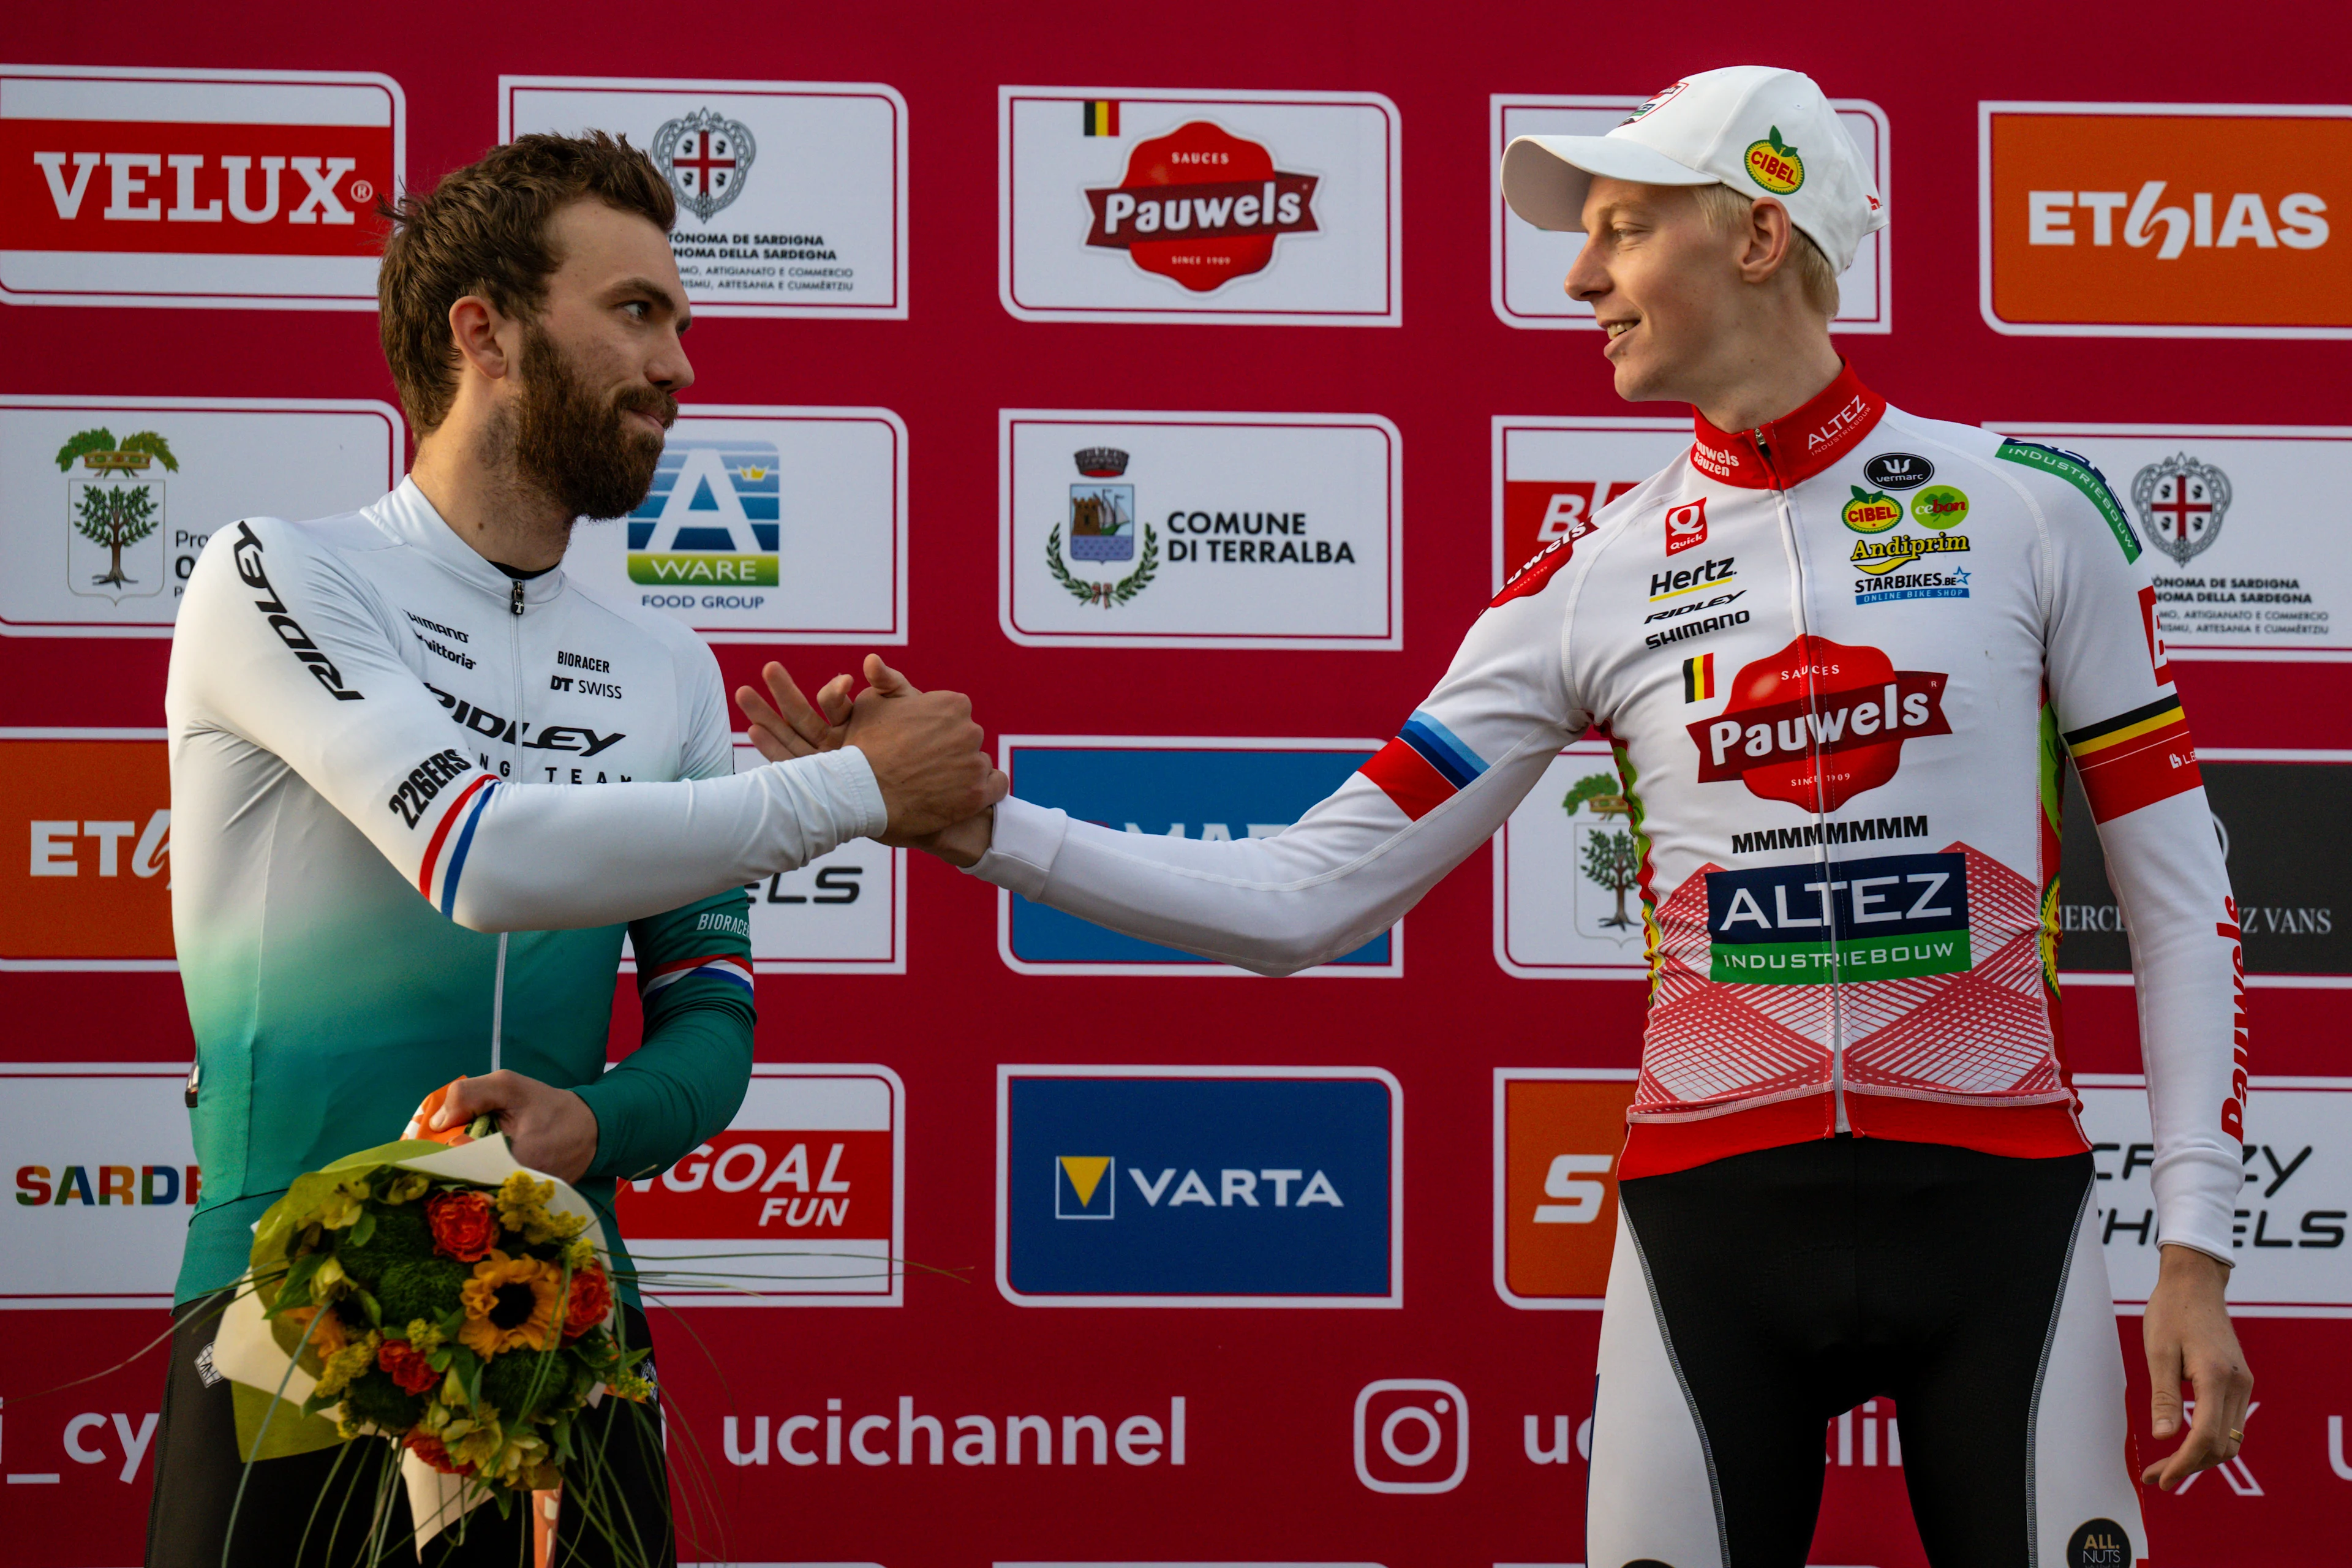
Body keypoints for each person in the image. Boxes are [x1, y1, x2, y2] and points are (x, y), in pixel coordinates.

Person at [756, 65, 2253, 1568]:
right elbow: (1306, 895)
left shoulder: (2033, 509)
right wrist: (985, 830)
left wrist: (2194, 1246)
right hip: (1712, 1234)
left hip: (2000, 1220)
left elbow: (2182, 905)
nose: (1579, 276)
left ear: (1756, 234)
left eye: (1623, 228)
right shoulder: (1591, 578)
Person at [146, 131, 1000, 1566]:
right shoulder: (274, 572)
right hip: (287, 1315)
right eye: (636, 313)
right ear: (483, 331)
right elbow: (477, 854)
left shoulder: (666, 665)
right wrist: (851, 791)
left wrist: (589, 1127)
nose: (679, 366)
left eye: (680, 322)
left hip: (559, 1320)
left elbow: (711, 1027)